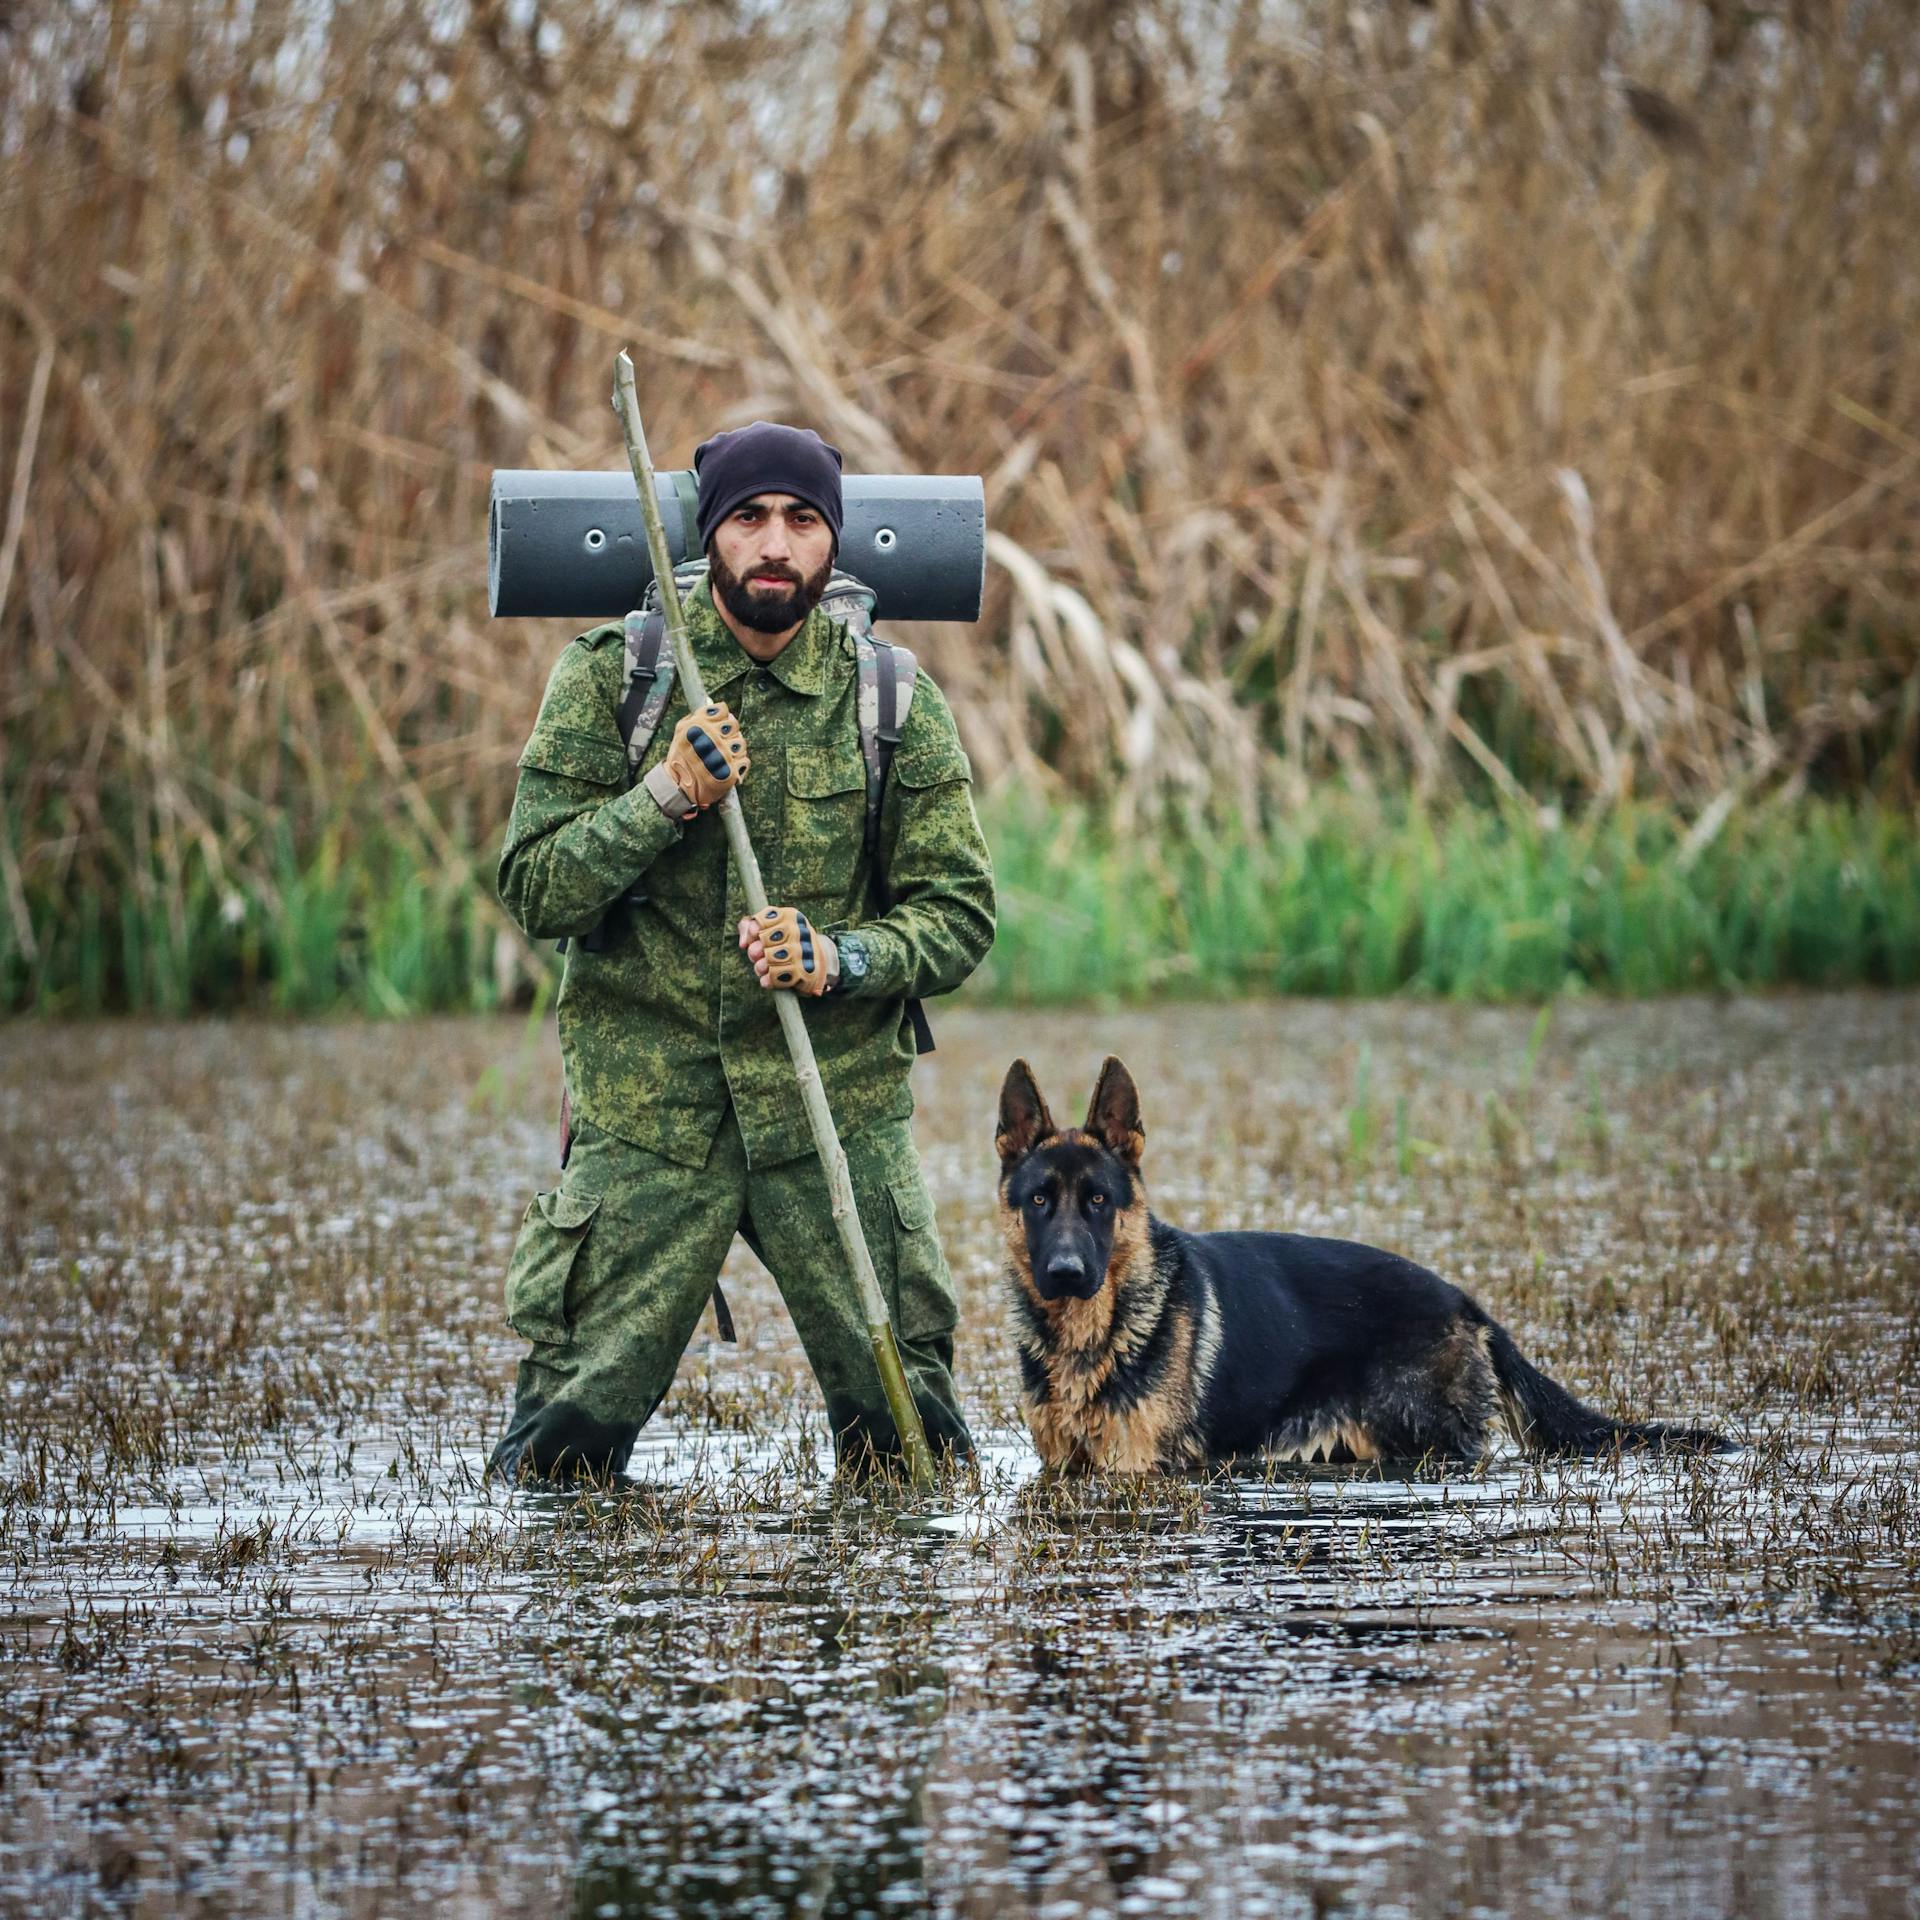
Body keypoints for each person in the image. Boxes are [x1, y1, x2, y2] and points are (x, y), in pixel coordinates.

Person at [485, 421, 995, 1484]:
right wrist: (663, 797)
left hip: (833, 1116)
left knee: (916, 1451)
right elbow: (535, 886)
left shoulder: (889, 701)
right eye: (749, 518)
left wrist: (838, 959)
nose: (775, 543)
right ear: (709, 535)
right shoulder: (609, 682)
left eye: (802, 521)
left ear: (833, 543)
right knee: (558, 1460)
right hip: (649, 1122)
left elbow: (959, 917)